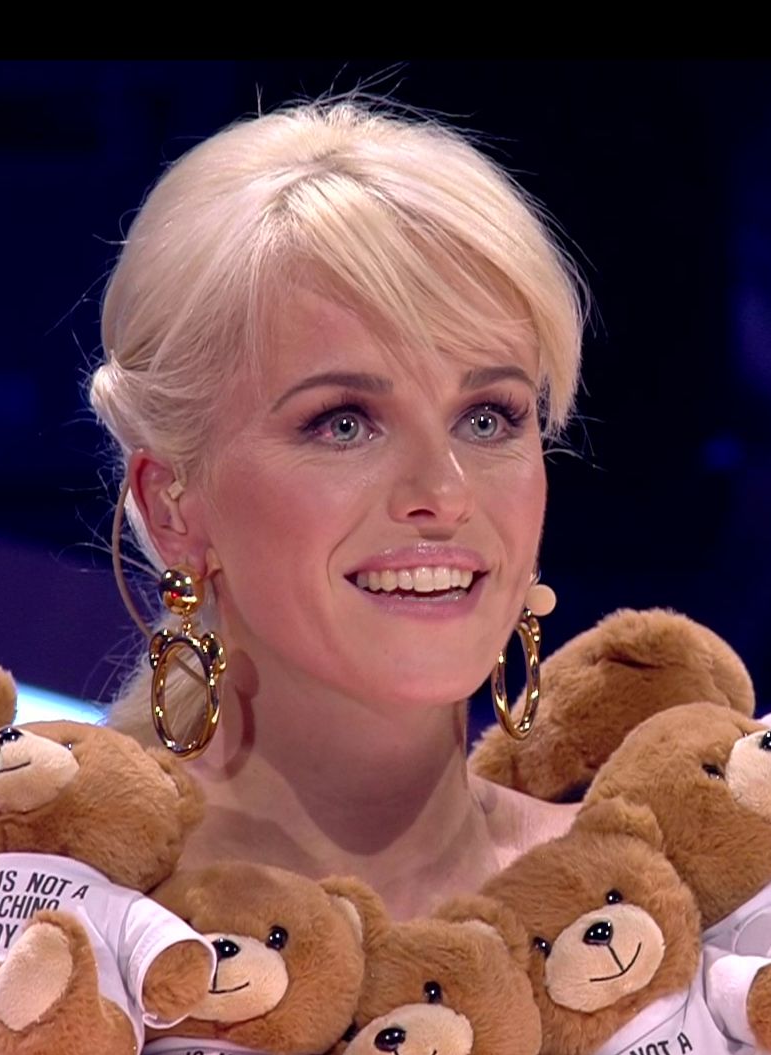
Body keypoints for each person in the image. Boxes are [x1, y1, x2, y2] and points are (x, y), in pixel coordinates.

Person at [90, 96, 590, 920]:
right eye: (345, 424)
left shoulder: (660, 914)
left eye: (487, 417)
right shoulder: (57, 927)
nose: (444, 494)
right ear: (173, 507)